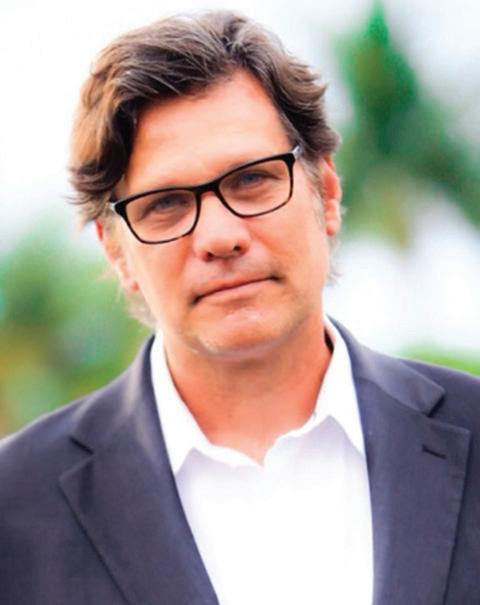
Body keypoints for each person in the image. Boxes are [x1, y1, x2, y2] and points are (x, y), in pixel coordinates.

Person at [1, 10, 479, 605]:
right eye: (166, 204)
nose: (220, 236)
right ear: (118, 252)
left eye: (251, 179)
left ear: (327, 193)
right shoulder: (15, 506)